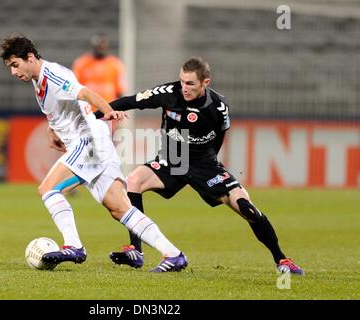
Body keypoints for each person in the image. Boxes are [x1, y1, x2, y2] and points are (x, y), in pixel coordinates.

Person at [96, 56, 305, 275]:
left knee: (246, 207)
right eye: (182, 81)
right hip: (173, 159)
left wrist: (210, 164)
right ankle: (135, 252)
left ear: (205, 82)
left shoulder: (218, 108)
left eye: (190, 83)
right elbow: (128, 101)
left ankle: (282, 260)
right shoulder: (169, 93)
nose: (184, 88)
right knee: (134, 181)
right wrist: (94, 116)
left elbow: (219, 138)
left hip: (205, 165)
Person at [0, 33, 187, 272]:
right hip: (96, 143)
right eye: (10, 67)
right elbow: (62, 107)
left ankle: (74, 246)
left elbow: (85, 94)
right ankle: (173, 254)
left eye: (15, 65)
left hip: (89, 141)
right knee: (120, 209)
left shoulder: (53, 75)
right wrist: (52, 129)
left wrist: (109, 111)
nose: (14, 72)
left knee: (48, 189)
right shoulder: (39, 79)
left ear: (30, 57)